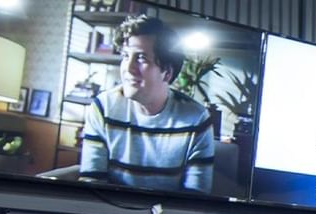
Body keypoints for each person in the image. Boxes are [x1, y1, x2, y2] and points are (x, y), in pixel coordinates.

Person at [79, 15, 215, 193]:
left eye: (141, 58)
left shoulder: (196, 119)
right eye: (126, 56)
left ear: (166, 72)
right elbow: (92, 185)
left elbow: (196, 199)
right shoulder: (103, 107)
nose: (128, 68)